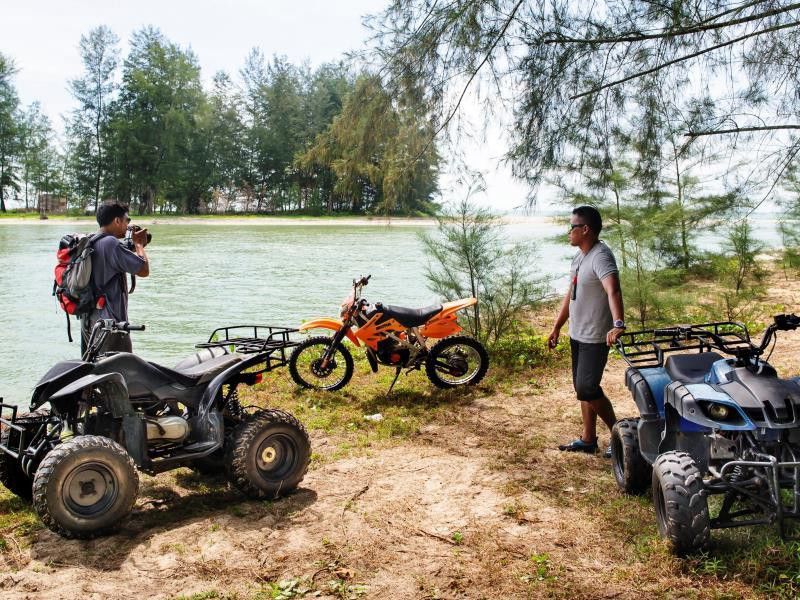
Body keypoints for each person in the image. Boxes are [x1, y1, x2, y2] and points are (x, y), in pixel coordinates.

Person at [547, 206, 625, 457]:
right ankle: (589, 439)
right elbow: (571, 294)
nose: (569, 231)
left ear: (585, 229)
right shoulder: (580, 257)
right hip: (577, 334)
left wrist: (618, 324)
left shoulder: (601, 256)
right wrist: (557, 326)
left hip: (594, 336)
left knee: (587, 388)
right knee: (583, 390)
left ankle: (621, 436)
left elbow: (613, 290)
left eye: (572, 226)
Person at [80, 202, 150, 355]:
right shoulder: (111, 243)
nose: (128, 225)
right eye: (127, 221)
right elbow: (144, 270)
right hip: (110, 325)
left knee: (94, 370)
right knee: (122, 369)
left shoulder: (93, 240)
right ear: (117, 221)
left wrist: (133, 245)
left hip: (89, 321)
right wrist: (139, 245)